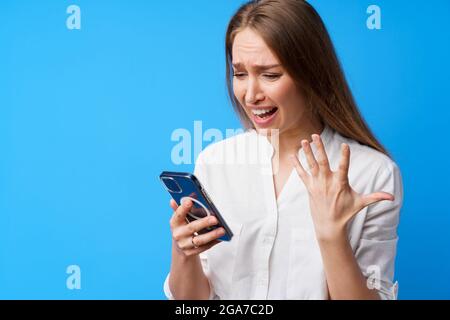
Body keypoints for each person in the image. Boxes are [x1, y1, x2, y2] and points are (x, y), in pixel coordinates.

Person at [163, 0, 403, 300]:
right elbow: (192, 303)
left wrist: (331, 236)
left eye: (271, 75)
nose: (250, 95)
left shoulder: (372, 173)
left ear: (311, 73)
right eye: (239, 74)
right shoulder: (215, 162)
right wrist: (183, 252)